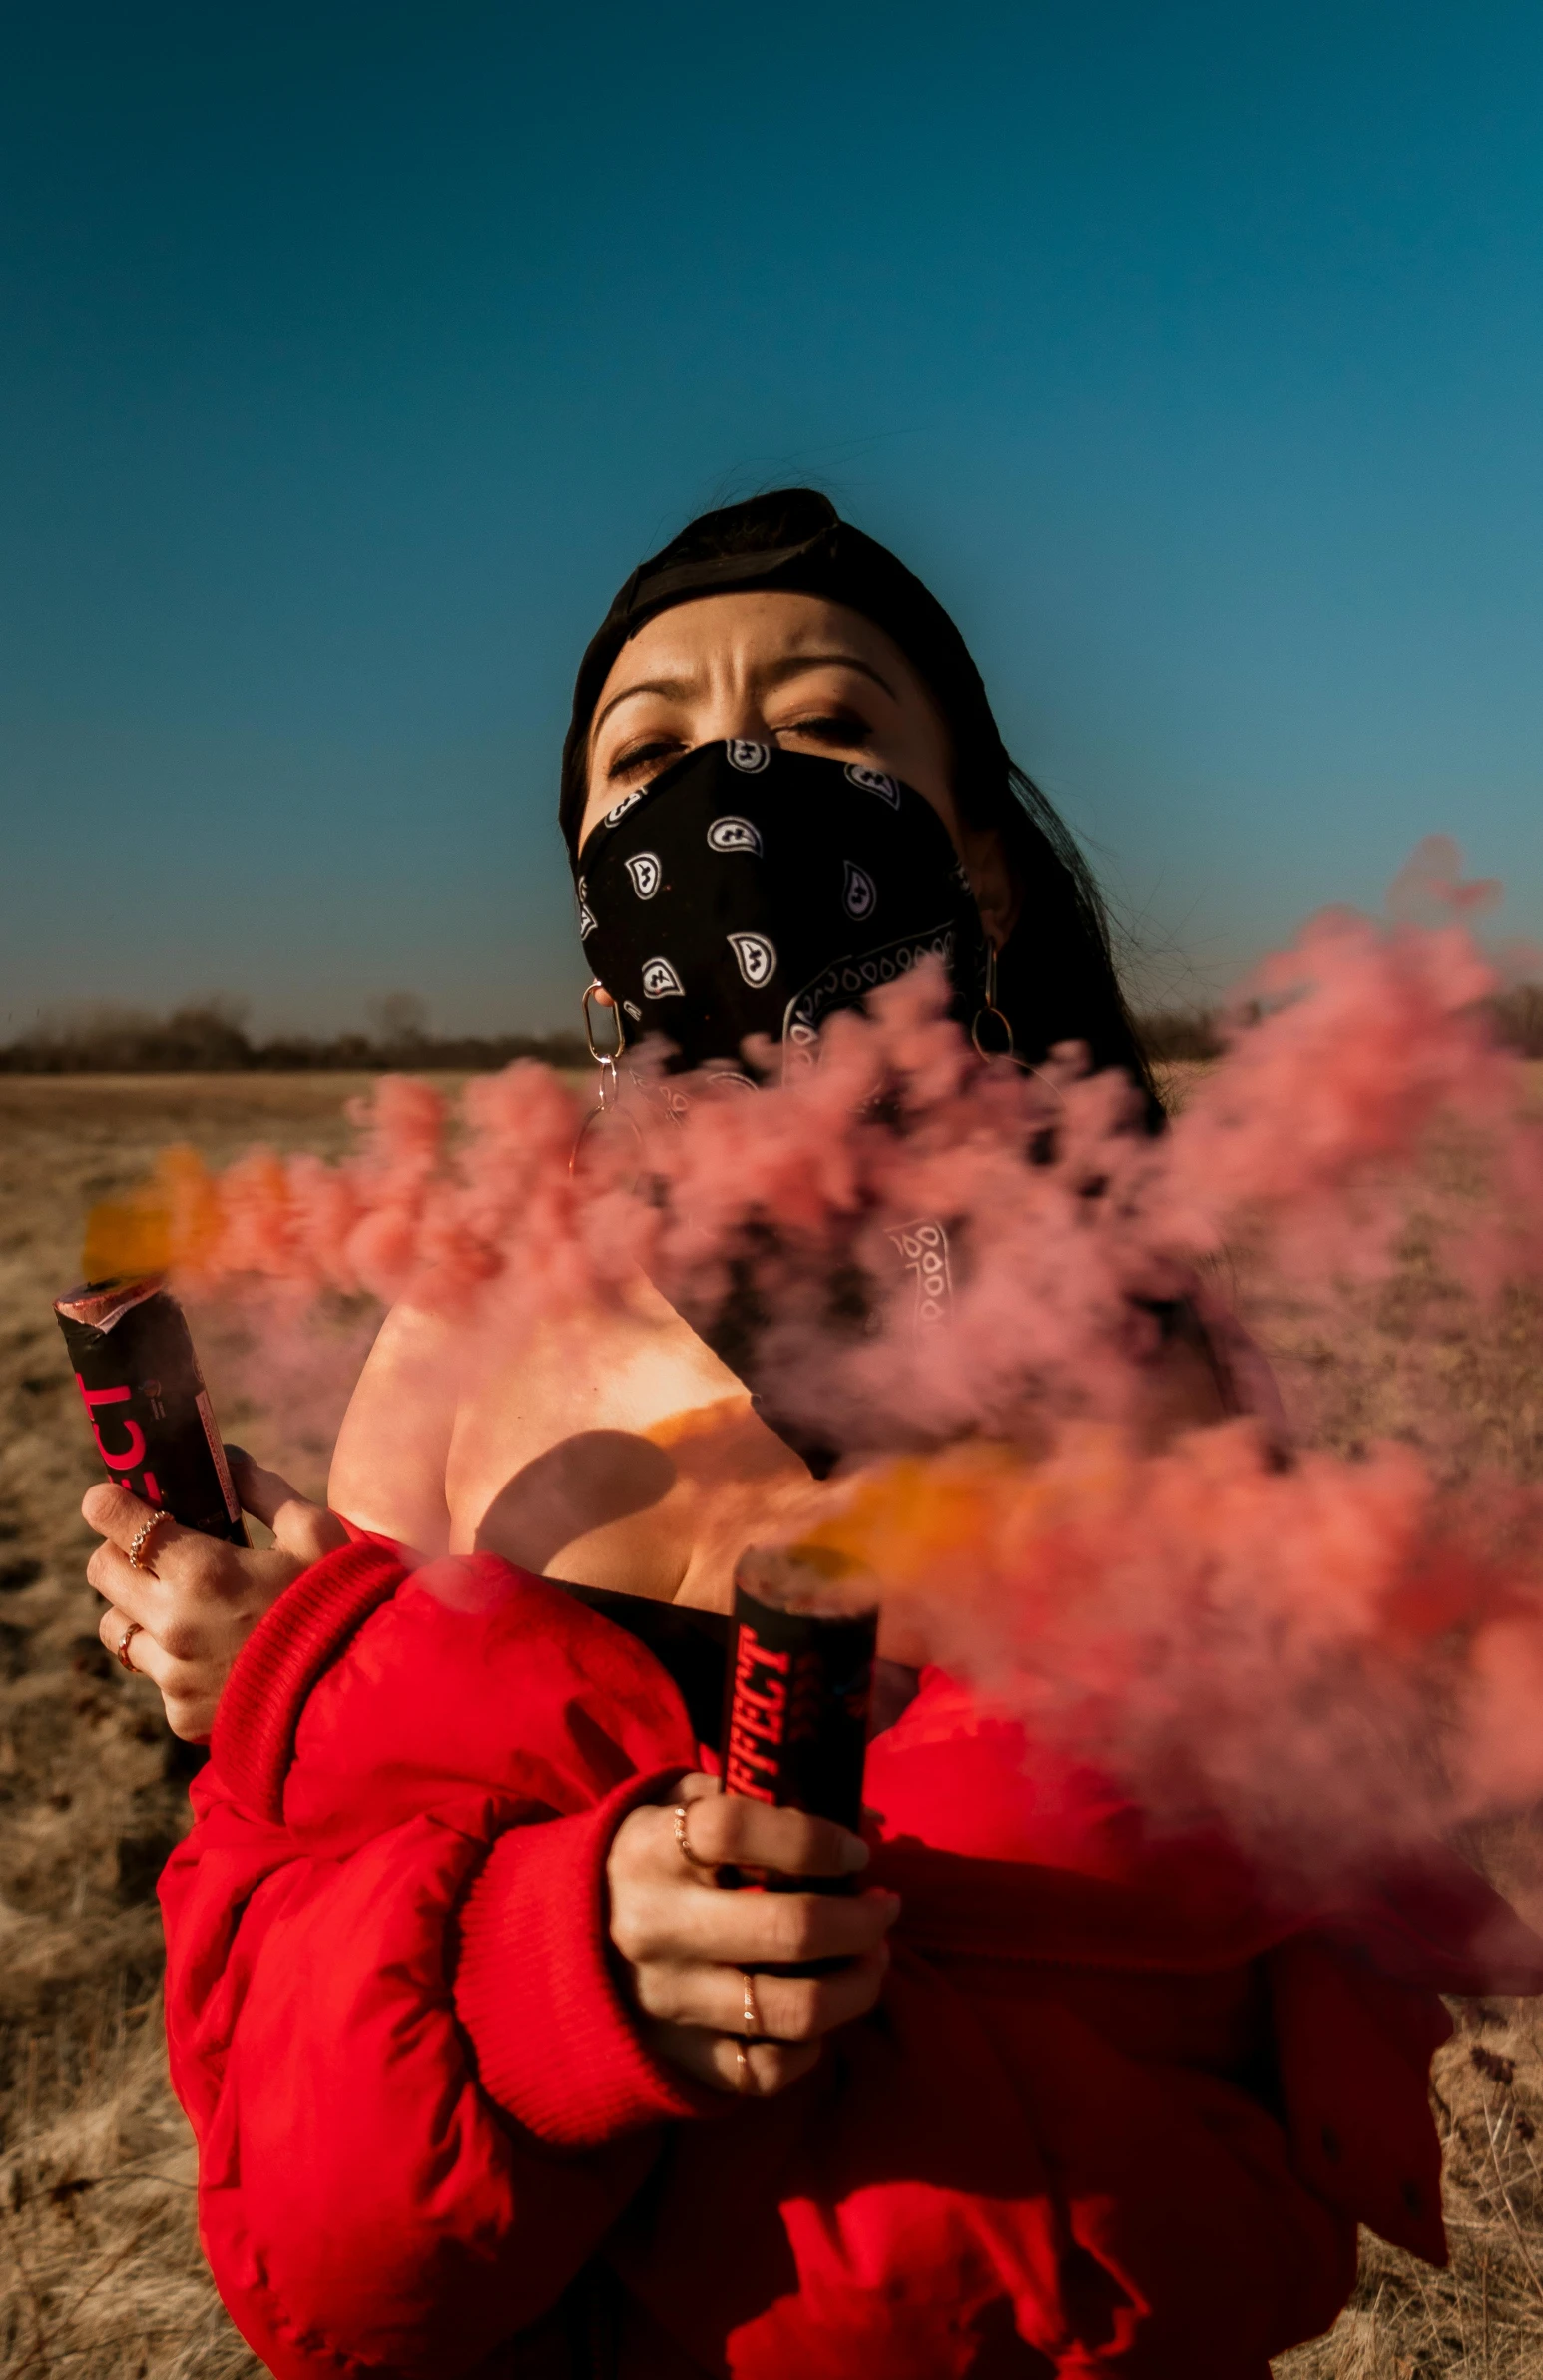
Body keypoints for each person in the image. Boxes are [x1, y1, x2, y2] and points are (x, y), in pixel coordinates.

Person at [81, 491, 1543, 2378]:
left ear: (984, 872)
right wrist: (284, 1662)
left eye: (832, 728)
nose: (737, 786)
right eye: (652, 753)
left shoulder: (1125, 1313)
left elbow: (1256, 1889)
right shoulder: (476, 1311)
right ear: (596, 915)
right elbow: (318, 1887)